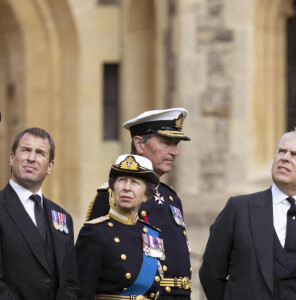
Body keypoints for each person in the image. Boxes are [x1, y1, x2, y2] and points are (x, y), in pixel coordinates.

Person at [86, 108, 192, 299]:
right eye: (166, 143)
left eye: (175, 144)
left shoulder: (171, 197)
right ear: (139, 143)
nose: (175, 152)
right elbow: (92, 264)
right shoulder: (114, 195)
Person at [199, 130, 296, 300]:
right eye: (281, 151)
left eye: (295, 154)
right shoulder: (238, 209)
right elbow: (211, 273)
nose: (285, 157)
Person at [0, 127, 78, 300]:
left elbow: (71, 282)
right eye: (26, 150)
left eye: (40, 153)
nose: (31, 158)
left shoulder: (63, 217)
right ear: (12, 158)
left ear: (50, 166)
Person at [76, 154, 164, 300]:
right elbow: (82, 292)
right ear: (113, 188)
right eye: (121, 180)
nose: (127, 188)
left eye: (135, 182)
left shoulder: (152, 235)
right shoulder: (95, 232)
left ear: (146, 195)